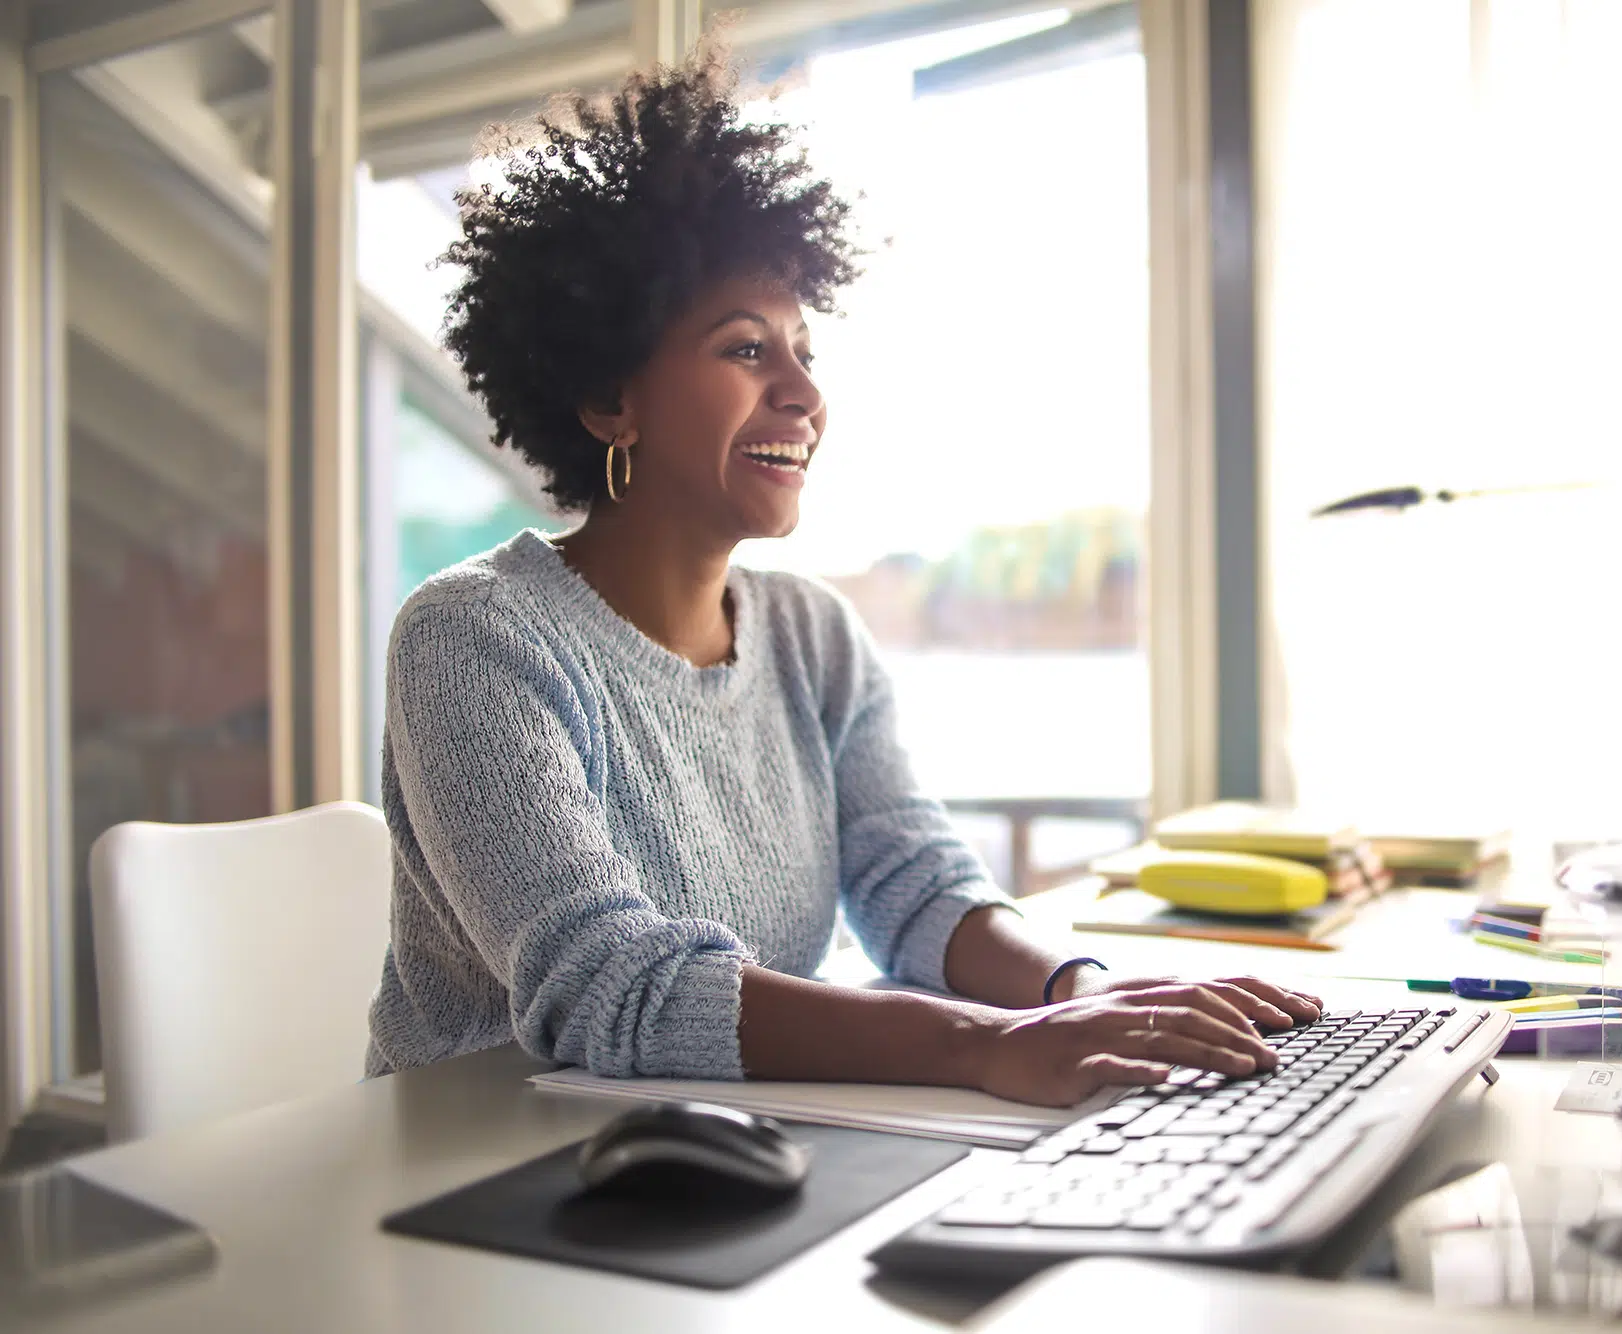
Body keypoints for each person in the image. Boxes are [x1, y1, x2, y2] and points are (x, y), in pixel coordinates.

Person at [364, 51, 1321, 1106]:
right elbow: (605, 987)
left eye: (801, 349)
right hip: (475, 1175)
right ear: (606, 397)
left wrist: (1086, 988)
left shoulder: (812, 634)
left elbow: (915, 888)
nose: (803, 394)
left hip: (728, 1149)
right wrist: (979, 1044)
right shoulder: (473, 638)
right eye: (743, 350)